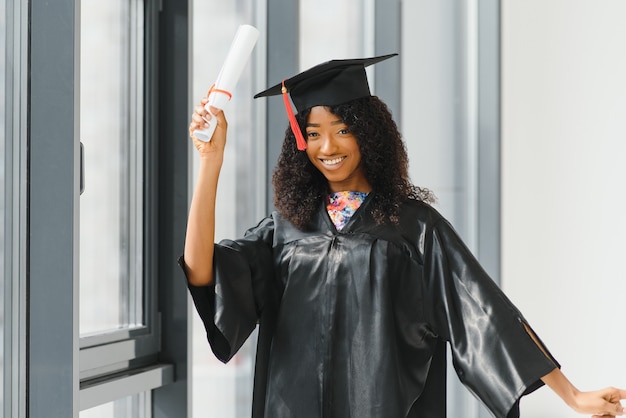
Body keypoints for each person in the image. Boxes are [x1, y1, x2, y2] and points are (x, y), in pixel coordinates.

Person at [181, 54, 625, 417]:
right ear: (300, 142)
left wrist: (572, 395)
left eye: (343, 130)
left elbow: (486, 313)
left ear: (369, 133)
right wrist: (211, 164)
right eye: (314, 134)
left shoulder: (414, 228)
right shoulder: (285, 228)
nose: (328, 147)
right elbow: (204, 272)